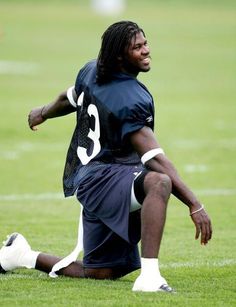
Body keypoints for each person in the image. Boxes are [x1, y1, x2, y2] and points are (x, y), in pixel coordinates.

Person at [0, 21, 212, 293]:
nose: (147, 51)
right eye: (138, 47)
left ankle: (19, 255)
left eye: (146, 43)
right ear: (120, 56)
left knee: (101, 272)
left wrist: (43, 111)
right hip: (103, 178)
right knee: (158, 182)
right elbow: (154, 159)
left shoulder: (92, 70)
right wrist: (195, 204)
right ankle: (150, 278)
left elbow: (69, 98)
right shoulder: (129, 98)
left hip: (93, 178)